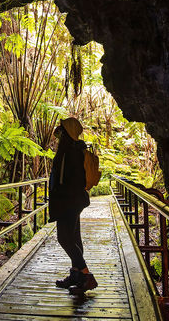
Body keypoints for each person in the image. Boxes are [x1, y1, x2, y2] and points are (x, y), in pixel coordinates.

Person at [48, 117, 98, 293]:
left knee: (64, 238)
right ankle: (76, 275)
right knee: (74, 238)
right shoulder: (71, 150)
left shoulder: (71, 152)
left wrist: (61, 200)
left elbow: (70, 181)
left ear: (67, 133)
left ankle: (86, 275)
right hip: (71, 201)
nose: (59, 135)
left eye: (62, 131)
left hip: (68, 202)